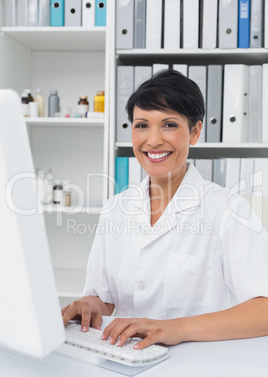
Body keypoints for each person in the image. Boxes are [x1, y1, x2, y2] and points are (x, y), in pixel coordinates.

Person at [62, 69, 268, 350]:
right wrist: (88, 306)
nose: (153, 140)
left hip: (202, 371)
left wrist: (175, 328)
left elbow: (263, 310)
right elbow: (105, 298)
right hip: (128, 360)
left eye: (169, 124)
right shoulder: (116, 209)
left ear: (195, 132)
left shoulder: (228, 209)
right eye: (142, 125)